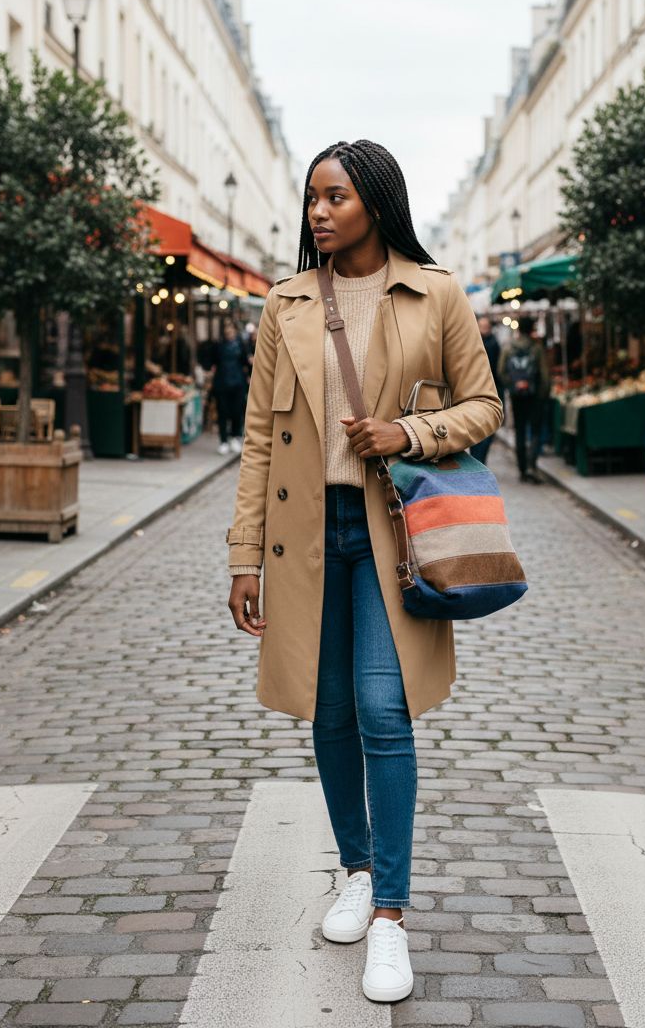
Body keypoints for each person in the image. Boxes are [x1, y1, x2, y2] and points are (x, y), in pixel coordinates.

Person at [226, 140, 502, 1004]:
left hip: (393, 533)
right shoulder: (285, 304)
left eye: (335, 196)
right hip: (306, 537)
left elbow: (485, 403)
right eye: (312, 197)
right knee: (329, 707)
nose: (318, 211)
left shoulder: (436, 292)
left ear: (375, 203)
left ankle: (390, 913)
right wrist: (244, 556)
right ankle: (353, 868)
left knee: (384, 708)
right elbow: (260, 440)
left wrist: (407, 435)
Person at [499, 314, 549, 484]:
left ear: (519, 328)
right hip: (534, 396)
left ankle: (521, 469)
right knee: (534, 431)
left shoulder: (508, 348)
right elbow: (545, 375)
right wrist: (542, 395)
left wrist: (513, 386)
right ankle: (531, 465)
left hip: (516, 396)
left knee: (519, 431)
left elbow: (501, 371)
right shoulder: (536, 348)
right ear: (532, 329)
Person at [212, 319, 249, 455]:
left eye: (231, 328)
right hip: (222, 383)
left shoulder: (241, 345)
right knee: (222, 412)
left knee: (236, 411)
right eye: (226, 329)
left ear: (235, 330)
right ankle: (223, 441)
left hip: (238, 383)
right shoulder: (218, 345)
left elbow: (246, 362)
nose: (228, 331)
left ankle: (235, 437)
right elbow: (212, 361)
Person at [469, 315, 502, 464]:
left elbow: (499, 371)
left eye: (485, 327)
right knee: (477, 430)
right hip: (473, 393)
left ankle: (479, 461)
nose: (483, 329)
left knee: (486, 431)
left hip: (489, 391)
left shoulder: (493, 344)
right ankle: (478, 461)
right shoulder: (472, 342)